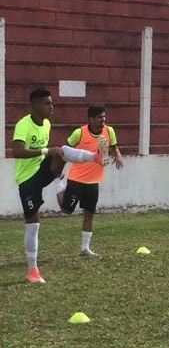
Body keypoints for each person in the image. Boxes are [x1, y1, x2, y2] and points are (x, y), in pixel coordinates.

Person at [12, 88, 106, 283]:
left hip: (41, 169)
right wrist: (46, 151)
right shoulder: (24, 125)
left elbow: (49, 152)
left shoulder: (46, 123)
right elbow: (17, 151)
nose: (51, 107)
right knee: (33, 224)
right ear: (35, 105)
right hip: (27, 179)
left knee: (61, 151)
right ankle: (32, 271)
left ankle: (94, 157)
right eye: (47, 103)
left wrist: (49, 153)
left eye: (51, 103)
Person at [55, 105, 124, 255]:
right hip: (76, 179)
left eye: (104, 117)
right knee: (66, 210)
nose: (103, 120)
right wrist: (59, 168)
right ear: (91, 119)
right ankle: (58, 183)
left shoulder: (109, 131)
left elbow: (114, 147)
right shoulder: (79, 133)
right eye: (100, 117)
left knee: (89, 214)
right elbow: (65, 151)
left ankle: (85, 248)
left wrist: (117, 155)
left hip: (94, 181)